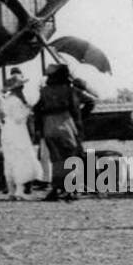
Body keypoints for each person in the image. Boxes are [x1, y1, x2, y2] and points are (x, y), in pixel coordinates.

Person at [36, 64, 93, 201]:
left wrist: (40, 129)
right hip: (66, 123)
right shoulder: (69, 90)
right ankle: (71, 189)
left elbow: (37, 110)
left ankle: (56, 188)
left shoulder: (44, 91)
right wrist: (79, 120)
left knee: (56, 158)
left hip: (48, 126)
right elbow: (90, 102)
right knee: (71, 156)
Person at [0, 73, 45, 200]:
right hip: (17, 131)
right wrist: (28, 110)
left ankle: (11, 191)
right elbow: (19, 118)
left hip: (7, 131)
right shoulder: (17, 101)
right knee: (21, 159)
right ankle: (19, 190)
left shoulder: (6, 100)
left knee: (9, 160)